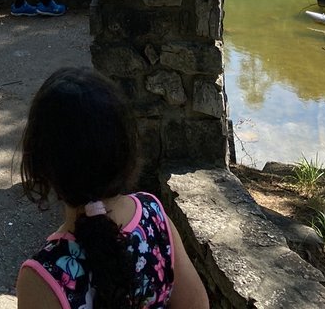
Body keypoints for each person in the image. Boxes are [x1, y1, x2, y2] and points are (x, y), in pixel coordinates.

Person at [17, 67, 210, 309]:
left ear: (40, 164)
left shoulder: (44, 277)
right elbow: (196, 304)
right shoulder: (153, 216)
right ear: (126, 149)